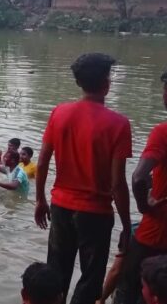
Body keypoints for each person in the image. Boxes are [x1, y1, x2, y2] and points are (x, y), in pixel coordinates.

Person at [35, 53, 132, 304]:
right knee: (90, 279)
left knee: (56, 273)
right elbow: (118, 182)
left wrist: (40, 200)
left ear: (79, 83)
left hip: (60, 207)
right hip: (96, 213)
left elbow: (43, 161)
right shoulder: (119, 124)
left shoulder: (59, 113)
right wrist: (126, 224)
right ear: (107, 84)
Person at [116, 72, 167, 304]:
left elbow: (138, 178)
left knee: (129, 287)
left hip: (156, 234)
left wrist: (144, 205)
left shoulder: (163, 132)